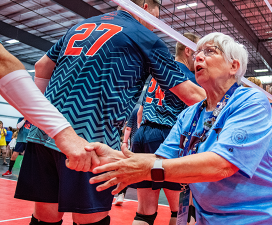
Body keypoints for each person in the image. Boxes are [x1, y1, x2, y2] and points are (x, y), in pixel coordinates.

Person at [12, 1, 206, 225]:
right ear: (145, 6)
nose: (156, 22)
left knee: (45, 217)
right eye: (157, 14)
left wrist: (39, 115)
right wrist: (237, 103)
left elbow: (41, 66)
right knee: (90, 218)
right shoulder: (144, 36)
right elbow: (190, 94)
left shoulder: (80, 25)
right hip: (91, 138)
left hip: (46, 132)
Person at [87, 32, 272, 224]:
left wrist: (147, 168)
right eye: (197, 52)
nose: (198, 56)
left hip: (266, 218)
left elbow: (222, 165)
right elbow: (161, 158)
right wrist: (117, 159)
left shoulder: (251, 101)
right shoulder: (190, 114)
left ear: (234, 66)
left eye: (210, 51)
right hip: (211, 218)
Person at [129, 32, 202, 225]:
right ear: (188, 50)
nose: (200, 59)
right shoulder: (187, 77)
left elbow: (140, 112)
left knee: (144, 212)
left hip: (142, 135)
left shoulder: (158, 74)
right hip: (167, 137)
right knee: (182, 211)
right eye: (199, 53)